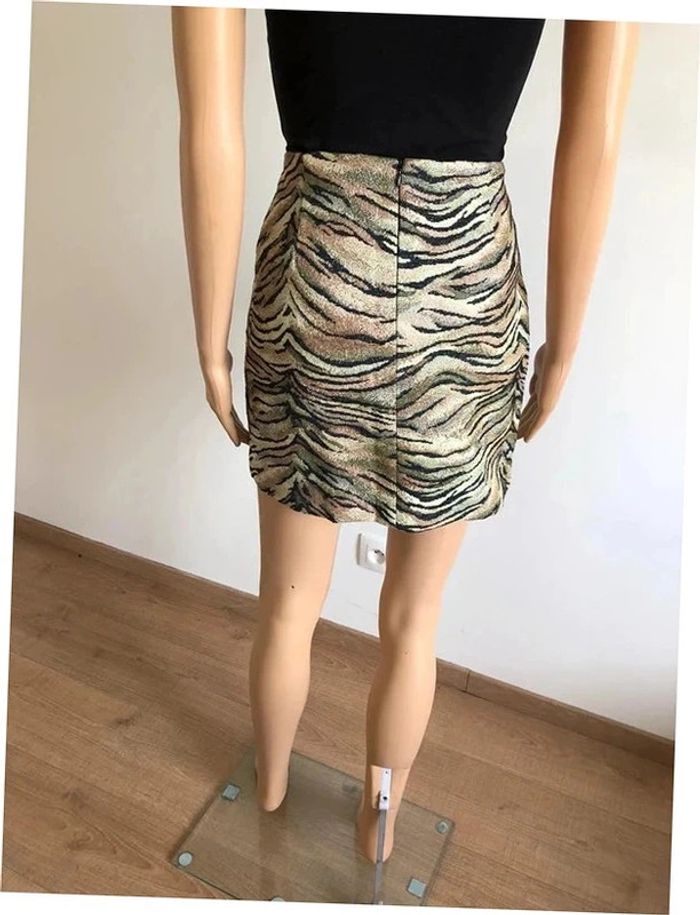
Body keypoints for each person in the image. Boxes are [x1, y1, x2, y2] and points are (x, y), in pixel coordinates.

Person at [171, 6, 639, 868]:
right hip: (465, 299)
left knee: (287, 605)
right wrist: (562, 347)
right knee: (414, 619)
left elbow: (208, 125)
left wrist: (210, 344)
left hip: (315, 277)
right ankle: (380, 828)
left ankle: (268, 787)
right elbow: (597, 140)